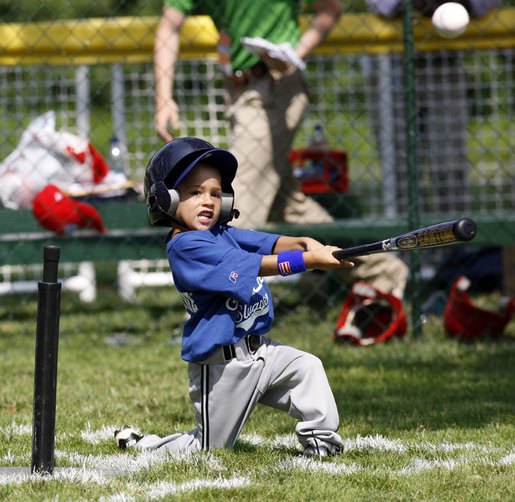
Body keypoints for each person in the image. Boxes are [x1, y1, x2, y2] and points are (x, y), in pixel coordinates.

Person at [154, 0, 409, 300]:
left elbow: (331, 8)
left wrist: (296, 55)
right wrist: (163, 99)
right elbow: (169, 25)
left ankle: (215, 308)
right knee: (288, 206)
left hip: (278, 87)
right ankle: (384, 272)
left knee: (236, 200)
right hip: (237, 89)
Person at [114, 137, 352, 456]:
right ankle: (145, 446)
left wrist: (305, 243)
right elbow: (258, 265)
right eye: (195, 193)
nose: (209, 201)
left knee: (307, 367)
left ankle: (320, 441)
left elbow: (266, 243)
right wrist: (308, 261)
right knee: (208, 449)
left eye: (215, 193)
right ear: (166, 199)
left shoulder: (221, 233)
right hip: (221, 365)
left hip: (260, 351)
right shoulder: (186, 247)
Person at [364, 0, 501, 216]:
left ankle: (455, 242)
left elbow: (484, 4)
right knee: (400, 168)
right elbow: (381, 6)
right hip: (390, 66)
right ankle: (406, 245)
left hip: (445, 64)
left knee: (448, 164)